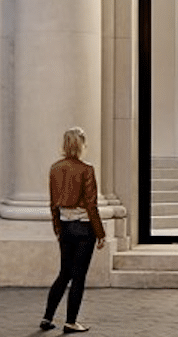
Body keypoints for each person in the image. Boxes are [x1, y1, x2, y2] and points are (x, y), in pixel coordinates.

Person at [41, 127, 106, 334]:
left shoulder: (55, 168)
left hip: (66, 228)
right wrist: (100, 233)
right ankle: (70, 322)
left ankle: (47, 317)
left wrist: (58, 229)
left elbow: (53, 204)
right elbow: (91, 204)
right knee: (78, 276)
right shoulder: (86, 169)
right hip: (85, 229)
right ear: (82, 144)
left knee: (64, 273)